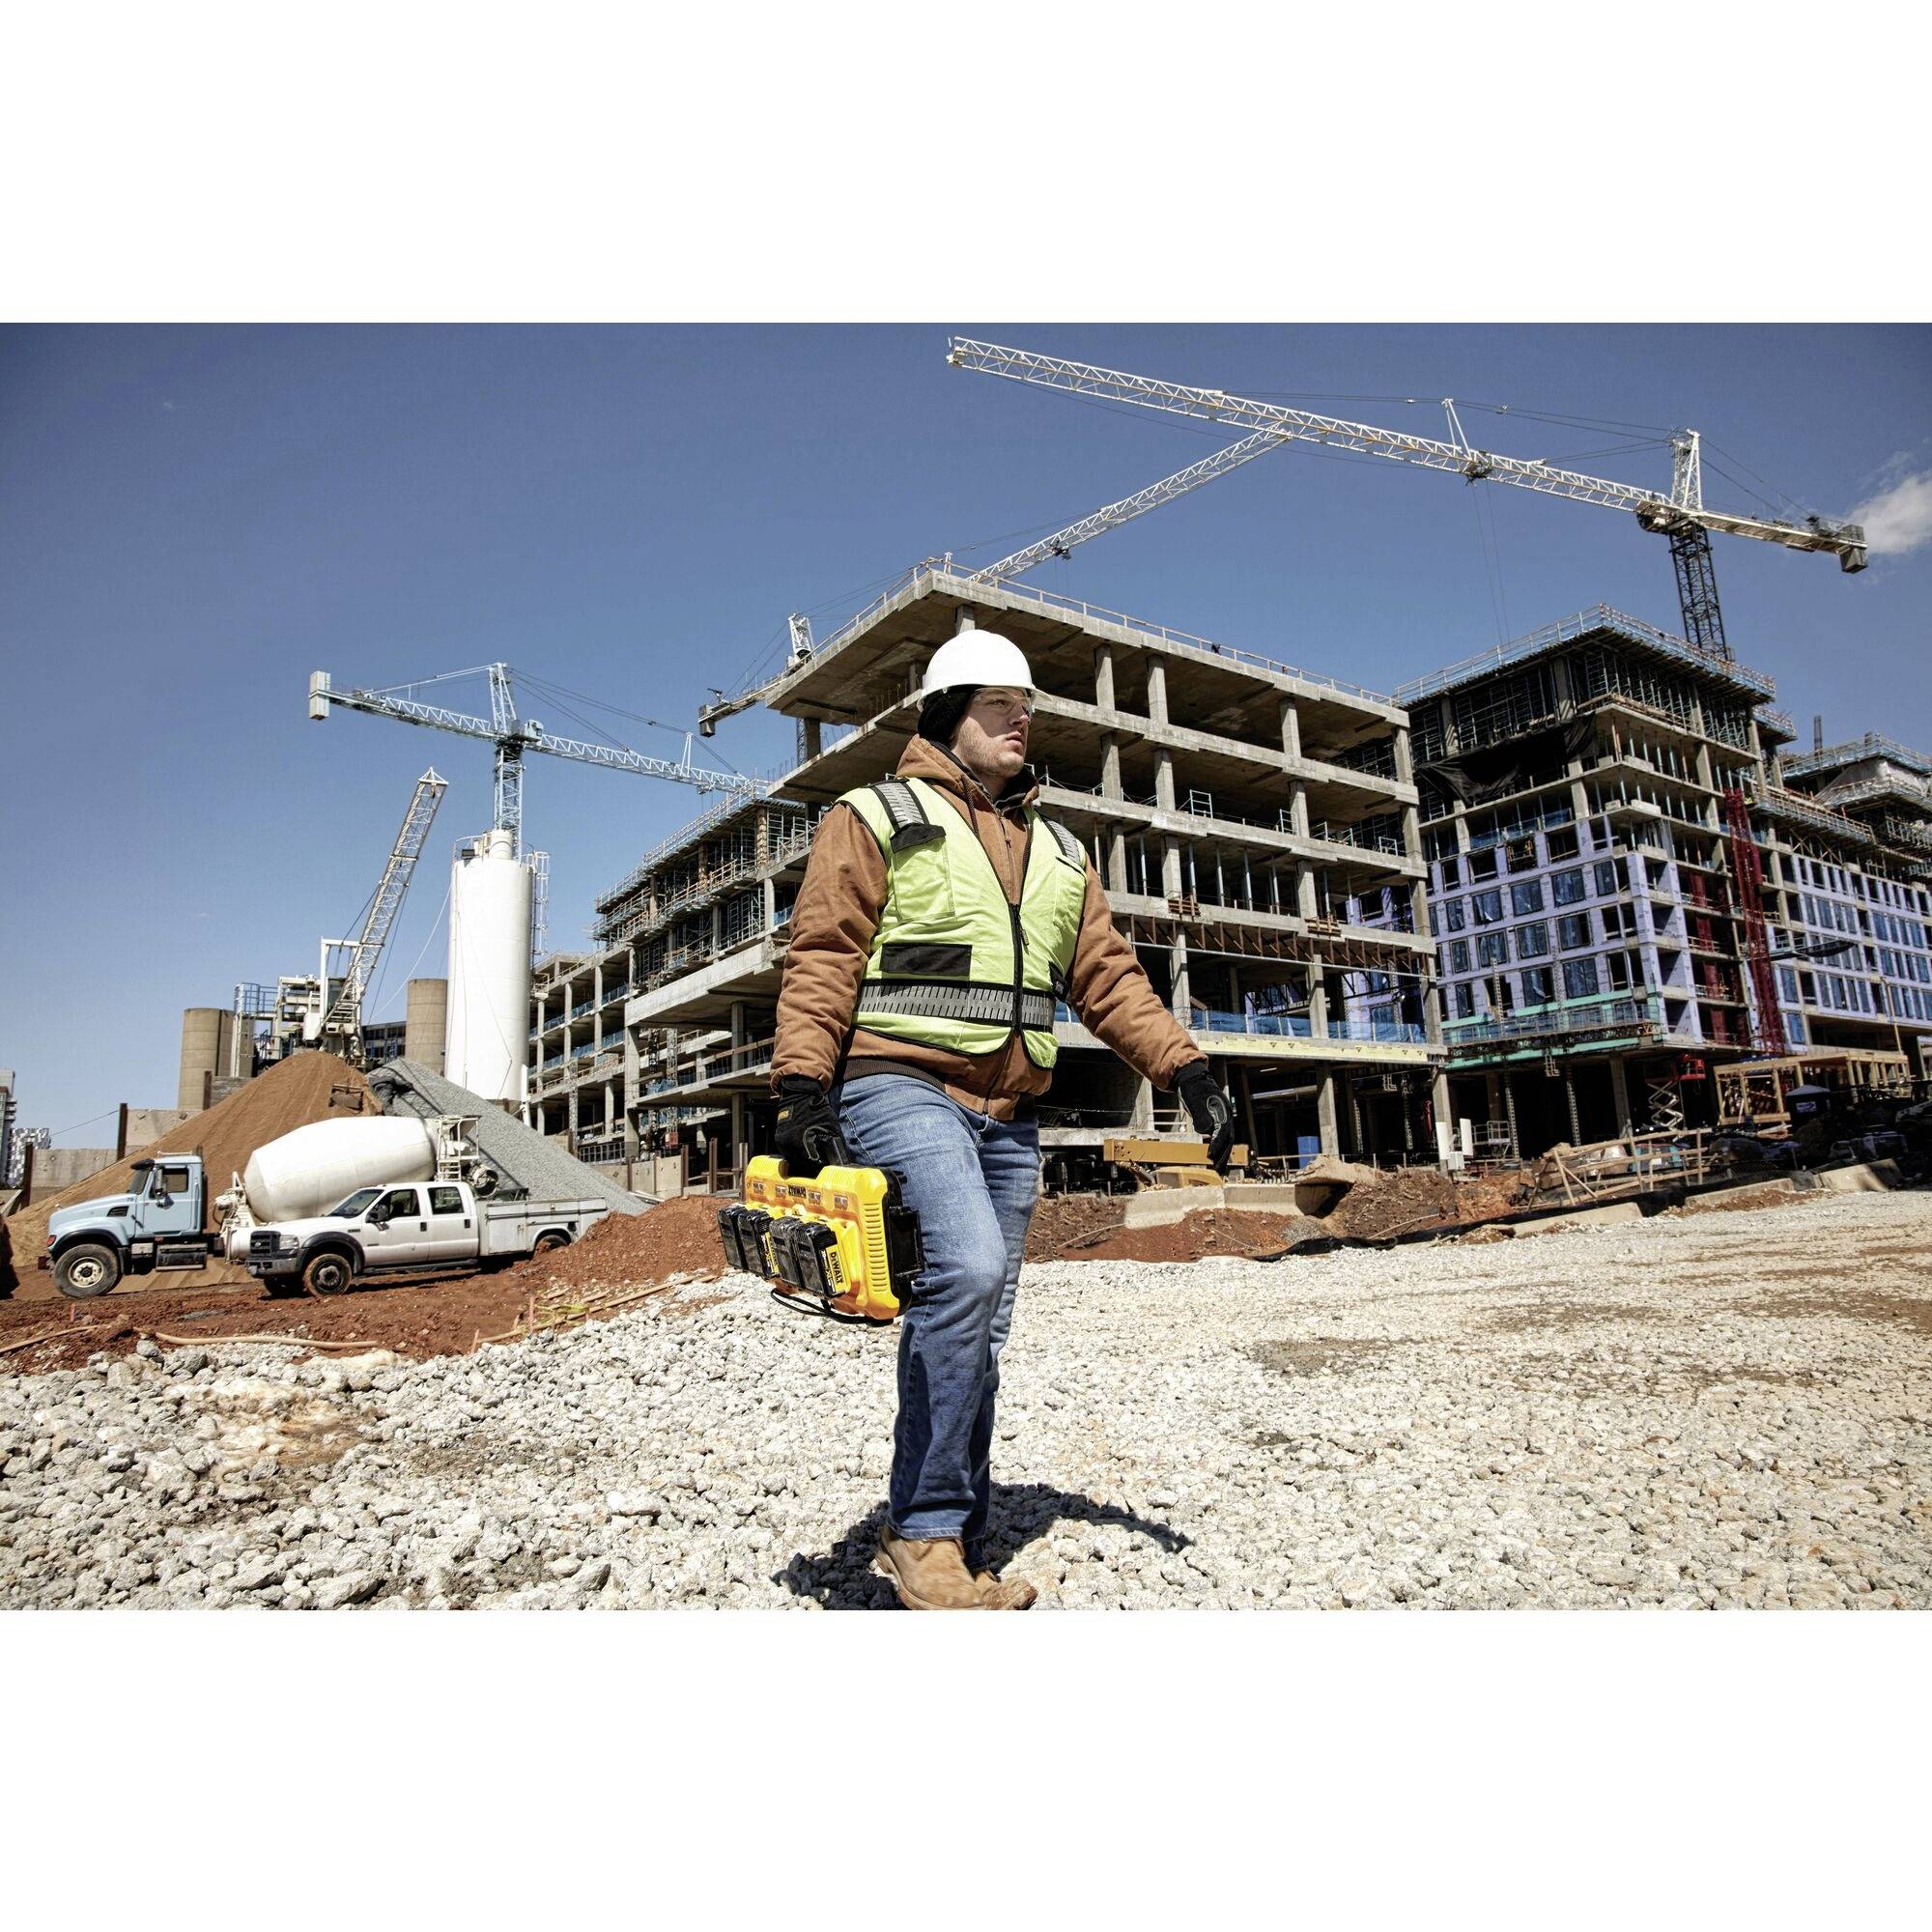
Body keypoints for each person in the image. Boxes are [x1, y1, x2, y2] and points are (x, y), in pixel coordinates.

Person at [770, 626, 1236, 1610]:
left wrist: (1183, 1062)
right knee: (969, 1269)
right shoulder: (875, 813)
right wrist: (801, 1085)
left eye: (1026, 706)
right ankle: (925, 1529)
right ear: (945, 713)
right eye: (997, 704)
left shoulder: (1060, 850)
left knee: (984, 1321)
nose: (1020, 718)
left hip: (1008, 1112)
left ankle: (955, 1528)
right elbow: (823, 951)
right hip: (898, 1084)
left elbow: (1105, 976)